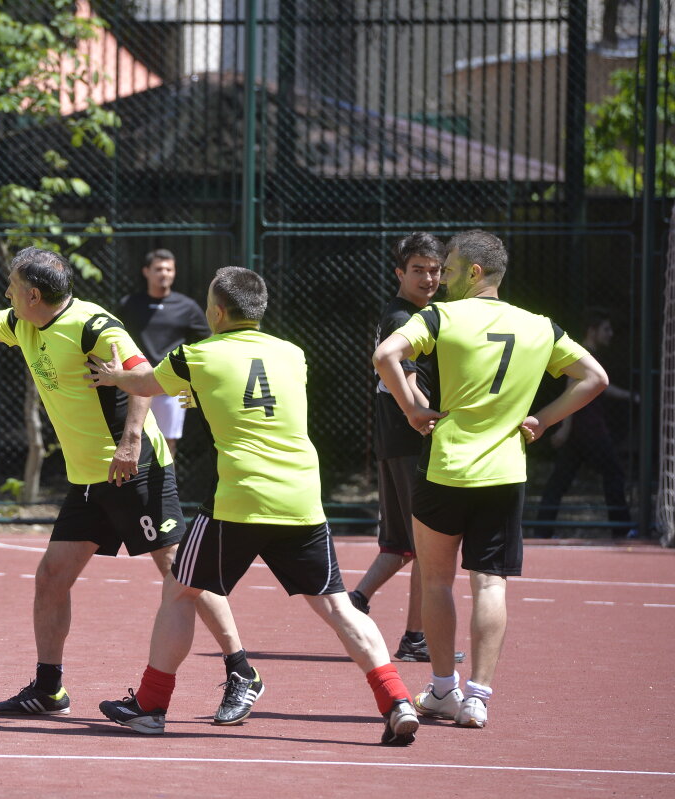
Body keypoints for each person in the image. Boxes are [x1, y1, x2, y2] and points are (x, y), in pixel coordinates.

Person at [0, 247, 260, 725]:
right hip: (89, 479)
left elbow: (143, 378)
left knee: (182, 576)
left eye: (11, 284)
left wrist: (131, 442)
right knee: (52, 577)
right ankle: (49, 688)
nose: (5, 291)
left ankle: (243, 672)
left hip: (134, 469)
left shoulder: (94, 325)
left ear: (32, 293)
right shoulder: (21, 322)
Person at [90, 266, 420, 745]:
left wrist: (111, 374)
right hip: (302, 498)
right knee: (337, 607)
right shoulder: (293, 354)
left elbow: (143, 385)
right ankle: (397, 700)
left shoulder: (195, 354)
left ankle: (150, 705)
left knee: (180, 591)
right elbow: (252, 400)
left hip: (240, 499)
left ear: (218, 312)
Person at [373, 230, 607, 730]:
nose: (443, 276)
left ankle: (441, 690)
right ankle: (478, 697)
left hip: (447, 465)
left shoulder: (441, 317)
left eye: (451, 267)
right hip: (505, 469)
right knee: (490, 582)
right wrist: (543, 420)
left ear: (474, 272)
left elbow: (385, 356)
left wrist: (413, 408)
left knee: (436, 579)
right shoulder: (540, 326)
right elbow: (594, 378)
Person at [348, 232, 463, 664]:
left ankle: (354, 601)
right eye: (419, 270)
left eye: (435, 270)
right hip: (411, 437)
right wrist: (424, 417)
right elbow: (407, 379)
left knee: (402, 544)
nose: (429, 278)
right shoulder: (403, 318)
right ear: (400, 273)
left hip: (396, 439)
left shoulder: (421, 313)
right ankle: (416, 637)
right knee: (427, 543)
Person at [536, 308, 638, 538]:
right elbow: (572, 388)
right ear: (593, 330)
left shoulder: (590, 355)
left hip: (583, 430)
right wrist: (565, 427)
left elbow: (602, 384)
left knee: (560, 479)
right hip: (587, 428)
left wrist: (629, 396)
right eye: (606, 329)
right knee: (614, 472)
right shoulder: (580, 354)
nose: (610, 334)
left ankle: (542, 529)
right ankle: (621, 528)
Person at [116, 249, 210, 456]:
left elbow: (207, 342)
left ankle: (165, 488)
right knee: (132, 439)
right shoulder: (129, 305)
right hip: (135, 384)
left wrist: (189, 374)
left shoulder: (187, 307)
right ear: (146, 272)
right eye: (159, 269)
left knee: (167, 445)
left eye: (169, 269)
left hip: (171, 388)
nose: (164, 273)